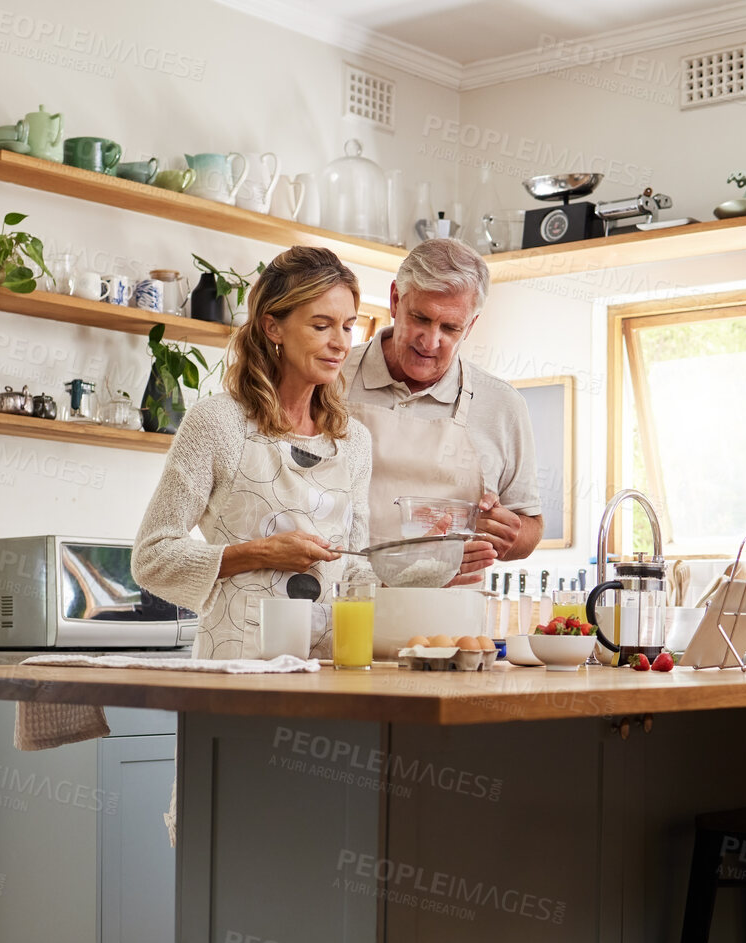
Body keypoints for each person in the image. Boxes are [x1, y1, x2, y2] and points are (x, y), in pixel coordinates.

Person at [132, 246, 374, 659]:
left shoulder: (352, 440)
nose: (340, 344)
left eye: (348, 327)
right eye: (321, 326)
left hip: (330, 672)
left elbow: (356, 568)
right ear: (272, 327)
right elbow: (152, 556)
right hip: (234, 669)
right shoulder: (218, 422)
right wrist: (260, 553)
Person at [344, 237, 542, 585]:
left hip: (449, 626)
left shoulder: (502, 405)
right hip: (342, 613)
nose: (431, 341)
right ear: (395, 299)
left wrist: (508, 533)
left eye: (450, 328)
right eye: (420, 318)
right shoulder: (331, 379)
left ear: (470, 325)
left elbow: (530, 529)